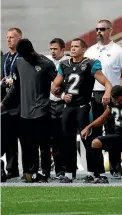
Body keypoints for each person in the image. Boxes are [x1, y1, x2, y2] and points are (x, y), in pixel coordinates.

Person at [51, 38, 112, 183]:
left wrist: (107, 93)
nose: (72, 49)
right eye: (71, 46)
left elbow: (107, 83)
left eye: (76, 46)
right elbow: (54, 87)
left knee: (88, 140)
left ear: (83, 49)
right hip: (68, 108)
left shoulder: (90, 63)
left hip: (83, 107)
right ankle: (69, 173)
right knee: (67, 141)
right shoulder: (64, 64)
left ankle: (94, 172)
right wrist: (61, 95)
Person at [85, 19, 122, 178]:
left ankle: (115, 168)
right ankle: (97, 170)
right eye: (97, 29)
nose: (99, 32)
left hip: (113, 97)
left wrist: (119, 88)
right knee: (95, 132)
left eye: (102, 29)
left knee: (113, 132)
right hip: (95, 94)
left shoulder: (118, 51)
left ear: (110, 30)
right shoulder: (90, 51)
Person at [1, 39, 56, 182]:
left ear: (32, 51)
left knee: (43, 144)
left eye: (26, 55)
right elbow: (15, 87)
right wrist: (4, 103)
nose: (24, 58)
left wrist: (61, 92)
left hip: (42, 110)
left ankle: (45, 173)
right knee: (27, 145)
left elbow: (57, 83)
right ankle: (29, 173)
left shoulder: (46, 63)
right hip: (25, 112)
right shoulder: (19, 63)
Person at [80, 86, 122, 183]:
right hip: (119, 137)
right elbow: (103, 118)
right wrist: (88, 127)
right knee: (95, 143)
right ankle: (101, 176)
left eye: (118, 100)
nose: (116, 102)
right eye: (114, 100)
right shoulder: (112, 102)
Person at [46, 38, 70, 179]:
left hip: (64, 104)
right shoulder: (48, 63)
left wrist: (62, 94)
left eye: (55, 49)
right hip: (50, 104)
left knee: (65, 137)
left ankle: (68, 169)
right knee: (54, 138)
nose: (53, 52)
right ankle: (59, 170)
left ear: (62, 49)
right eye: (51, 49)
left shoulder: (68, 63)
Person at [1, 27, 22, 180]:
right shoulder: (5, 57)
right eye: (7, 37)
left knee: (23, 137)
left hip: (21, 102)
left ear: (19, 39)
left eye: (12, 37)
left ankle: (27, 169)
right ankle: (11, 168)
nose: (9, 40)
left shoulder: (23, 58)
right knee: (8, 138)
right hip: (5, 103)